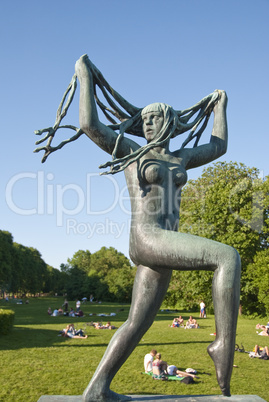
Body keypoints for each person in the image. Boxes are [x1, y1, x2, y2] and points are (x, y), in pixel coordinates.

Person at [39, 54, 241, 400]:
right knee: (227, 256)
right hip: (148, 238)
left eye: (155, 118)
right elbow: (91, 125)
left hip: (165, 246)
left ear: (169, 122)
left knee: (137, 323)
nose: (148, 123)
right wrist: (84, 76)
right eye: (144, 118)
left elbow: (219, 146)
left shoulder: (181, 158)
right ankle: (222, 343)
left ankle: (96, 389)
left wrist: (220, 105)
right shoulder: (134, 152)